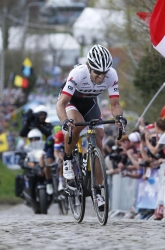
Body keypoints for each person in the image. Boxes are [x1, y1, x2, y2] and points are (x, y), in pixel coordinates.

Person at [56, 44, 127, 209]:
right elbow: (61, 104)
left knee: (100, 138)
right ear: (89, 67)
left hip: (90, 103)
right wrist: (65, 122)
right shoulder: (78, 74)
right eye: (97, 73)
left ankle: (97, 191)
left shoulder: (112, 75)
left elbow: (115, 103)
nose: (101, 77)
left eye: (104, 73)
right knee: (77, 124)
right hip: (71, 101)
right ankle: (67, 160)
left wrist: (119, 117)